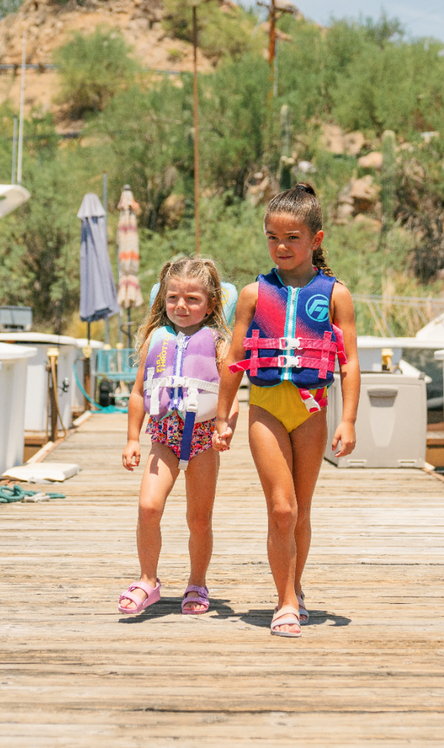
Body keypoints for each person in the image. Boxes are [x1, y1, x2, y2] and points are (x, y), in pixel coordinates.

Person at [215, 183, 359, 637]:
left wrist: (349, 419)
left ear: (316, 239)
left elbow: (350, 362)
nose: (281, 246)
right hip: (266, 407)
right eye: (273, 237)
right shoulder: (254, 294)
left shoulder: (336, 294)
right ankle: (285, 602)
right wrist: (223, 416)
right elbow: (234, 357)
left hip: (311, 408)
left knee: (301, 510)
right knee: (281, 509)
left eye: (292, 237)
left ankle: (294, 587)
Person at [118, 257, 238, 616]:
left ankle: (197, 582)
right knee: (148, 507)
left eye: (192, 299)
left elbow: (231, 396)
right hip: (163, 437)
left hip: (202, 438)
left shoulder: (218, 343)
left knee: (199, 518)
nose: (181, 306)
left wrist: (225, 427)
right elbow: (140, 393)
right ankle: (148, 580)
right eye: (172, 298)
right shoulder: (157, 340)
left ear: (211, 303)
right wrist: (131, 439)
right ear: (162, 301)